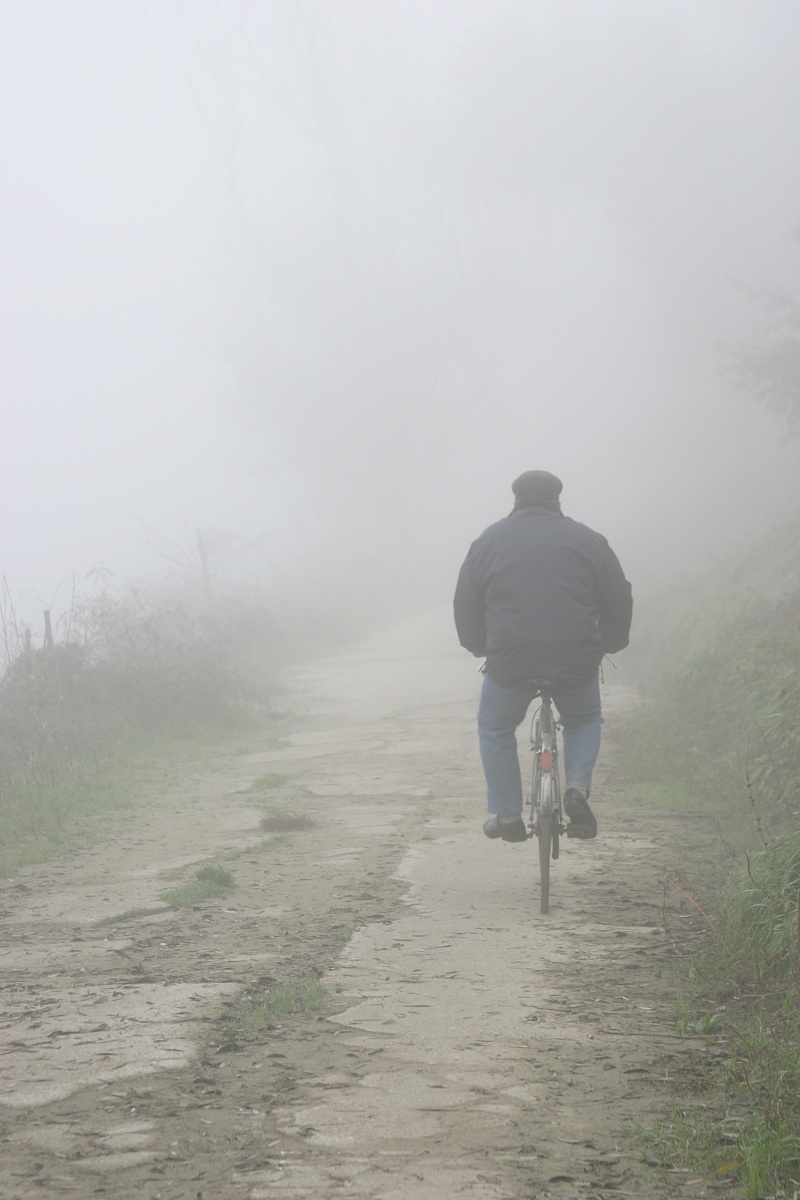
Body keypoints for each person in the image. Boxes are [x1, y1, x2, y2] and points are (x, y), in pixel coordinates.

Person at [453, 470, 632, 843]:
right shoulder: (588, 540)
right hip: (576, 656)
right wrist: (611, 641)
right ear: (558, 501)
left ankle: (506, 816)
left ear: (515, 500)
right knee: (583, 719)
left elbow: (466, 601)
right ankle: (576, 789)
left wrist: (477, 645)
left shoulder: (488, 541)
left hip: (510, 659)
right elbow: (618, 596)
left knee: (495, 727)